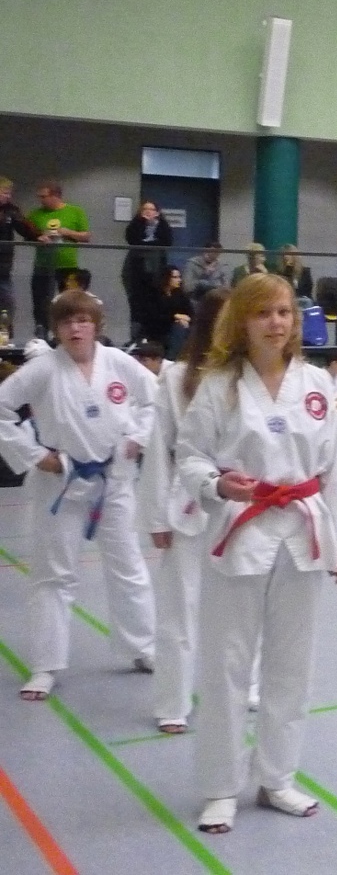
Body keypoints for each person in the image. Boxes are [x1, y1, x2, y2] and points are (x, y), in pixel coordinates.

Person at [175, 273, 337, 833]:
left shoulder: (316, 384)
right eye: (263, 313)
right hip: (241, 531)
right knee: (226, 665)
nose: (276, 322)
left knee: (292, 666)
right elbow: (189, 455)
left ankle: (277, 777)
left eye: (284, 312)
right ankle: (219, 788)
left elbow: (333, 468)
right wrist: (216, 484)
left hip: (303, 534)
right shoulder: (219, 385)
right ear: (242, 321)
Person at [0, 290, 156, 701]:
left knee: (128, 565)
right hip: (62, 484)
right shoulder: (42, 369)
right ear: (56, 329)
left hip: (113, 480)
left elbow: (154, 401)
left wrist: (138, 438)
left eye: (83, 320)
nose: (75, 328)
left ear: (96, 326)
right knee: (54, 575)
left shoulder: (118, 362)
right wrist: (35, 455)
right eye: (67, 322)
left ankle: (142, 646)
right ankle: (45, 665)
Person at [136, 287, 230, 733]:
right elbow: (158, 450)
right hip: (188, 502)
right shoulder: (176, 377)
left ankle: (241, 687)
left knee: (240, 607)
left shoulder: (252, 374)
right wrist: (156, 517)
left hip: (240, 506)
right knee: (180, 607)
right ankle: (172, 702)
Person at [28, 179, 90, 341]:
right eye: (39, 197)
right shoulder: (35, 214)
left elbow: (86, 236)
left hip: (67, 265)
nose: (41, 200)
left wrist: (68, 232)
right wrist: (39, 237)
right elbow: (28, 233)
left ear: (55, 196)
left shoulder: (75, 211)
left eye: (44, 196)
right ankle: (42, 334)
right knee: (41, 302)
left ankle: (68, 334)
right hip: (43, 264)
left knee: (69, 302)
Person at [123, 200, 174, 336]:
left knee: (154, 301)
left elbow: (166, 242)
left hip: (156, 267)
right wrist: (141, 222)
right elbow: (132, 239)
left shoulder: (163, 225)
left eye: (151, 209)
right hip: (138, 269)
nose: (148, 212)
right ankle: (136, 335)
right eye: (145, 209)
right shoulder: (136, 224)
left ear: (157, 212)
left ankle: (153, 334)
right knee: (137, 304)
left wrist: (149, 241)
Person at [0, 176, 41, 329]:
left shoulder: (11, 210)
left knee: (6, 302)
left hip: (3, 266)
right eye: (5, 192)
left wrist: (38, 236)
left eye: (9, 193)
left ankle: (4, 333)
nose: (8, 196)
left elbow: (25, 227)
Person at [141, 265, 194, 356]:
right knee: (179, 329)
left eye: (179, 277)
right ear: (166, 278)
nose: (179, 280)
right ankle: (171, 358)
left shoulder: (180, 294)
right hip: (157, 331)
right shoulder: (153, 294)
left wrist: (185, 319)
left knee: (183, 329)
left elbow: (190, 313)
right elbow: (154, 316)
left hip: (179, 328)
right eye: (175, 277)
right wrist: (176, 317)